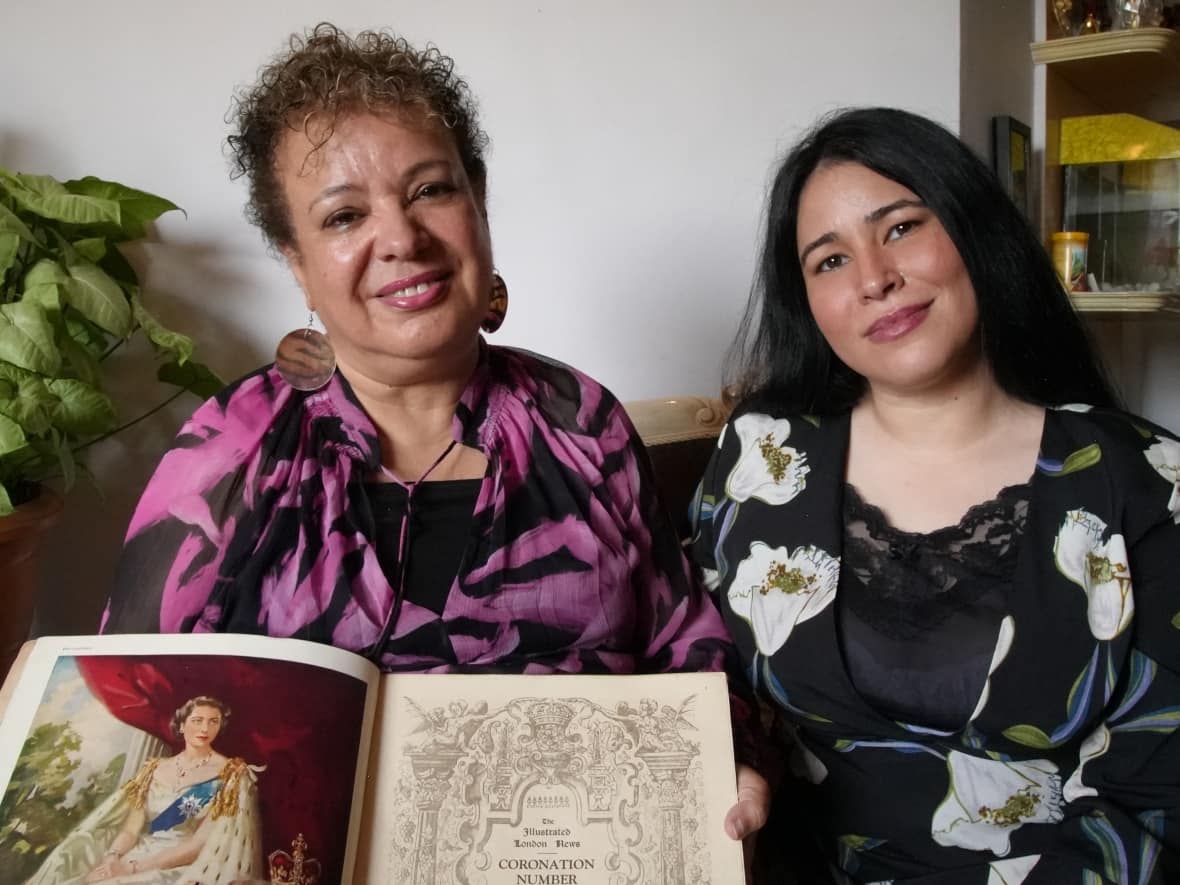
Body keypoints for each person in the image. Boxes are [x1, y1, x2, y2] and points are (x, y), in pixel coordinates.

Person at [96, 23, 767, 836]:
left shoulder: (579, 418)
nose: (402, 238)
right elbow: (122, 692)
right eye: (344, 216)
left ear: (477, 201)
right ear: (297, 261)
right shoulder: (232, 446)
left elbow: (686, 646)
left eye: (430, 191)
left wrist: (732, 760)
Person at [692, 106, 1180, 883]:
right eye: (828, 260)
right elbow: (700, 677)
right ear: (808, 304)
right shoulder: (761, 459)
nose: (874, 280)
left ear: (973, 228)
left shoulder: (1144, 479)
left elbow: (1157, 800)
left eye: (899, 228)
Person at [28, 697, 263, 884]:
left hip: (176, 864)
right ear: (182, 725)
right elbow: (131, 830)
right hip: (137, 852)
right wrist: (111, 859)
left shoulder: (230, 774)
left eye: (214, 721)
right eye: (197, 720)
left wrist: (131, 868)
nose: (205, 728)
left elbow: (198, 845)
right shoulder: (154, 769)